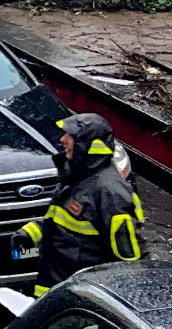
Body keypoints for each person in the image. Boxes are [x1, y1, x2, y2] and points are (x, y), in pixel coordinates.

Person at [12, 113, 147, 297]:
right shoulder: (77, 176)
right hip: (57, 290)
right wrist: (33, 232)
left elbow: (128, 258)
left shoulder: (109, 192)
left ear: (88, 145)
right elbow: (63, 221)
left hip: (80, 296)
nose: (63, 139)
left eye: (71, 136)